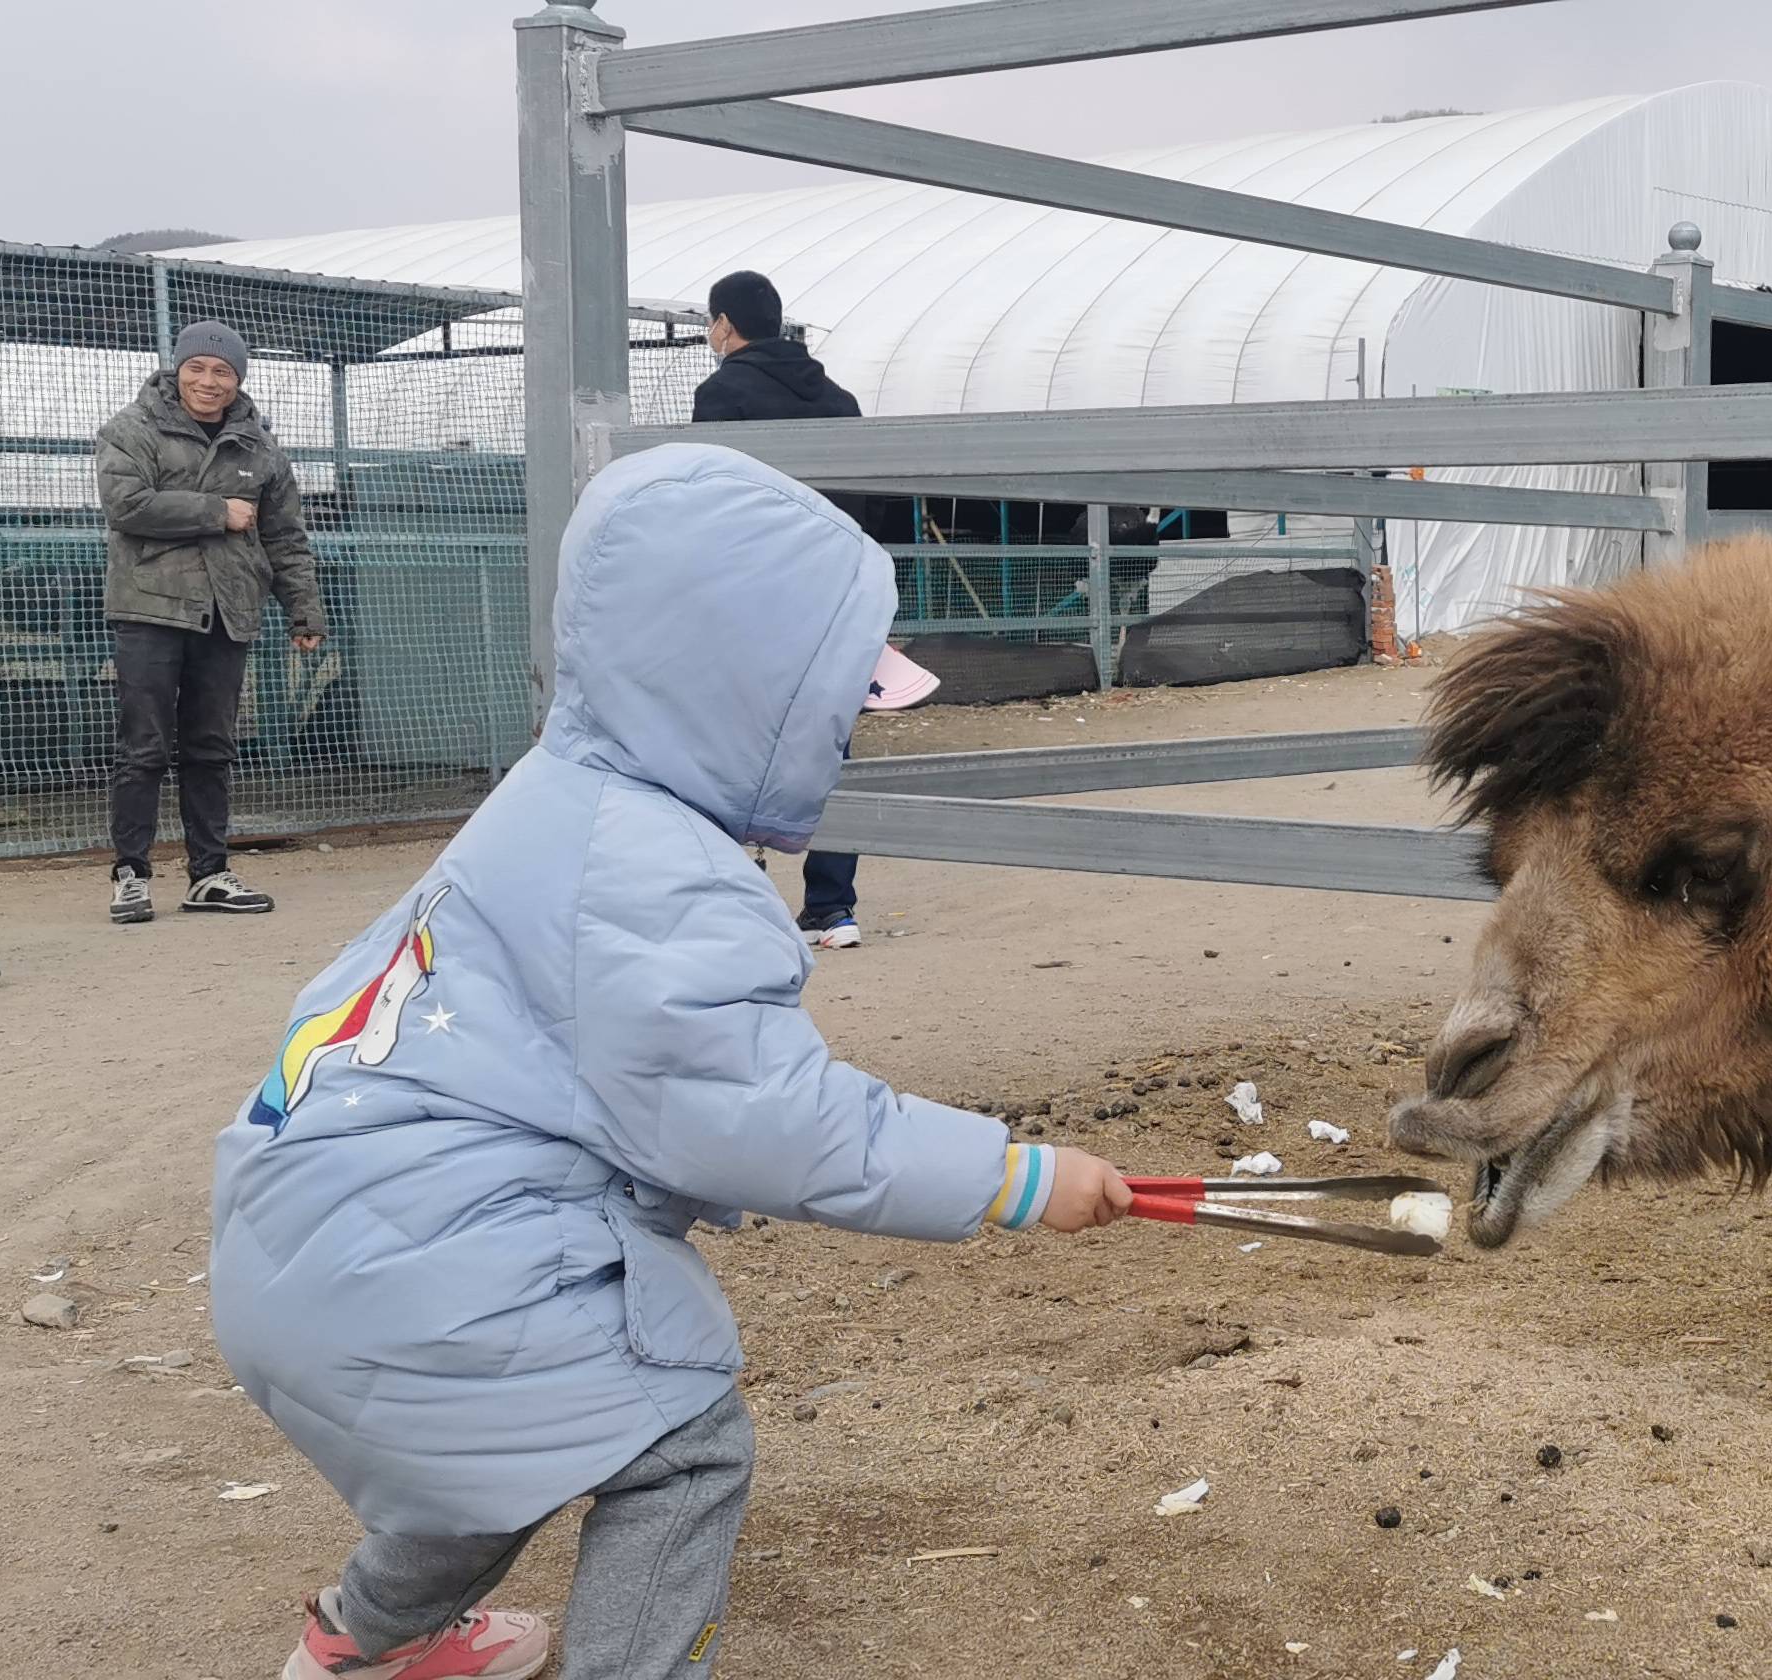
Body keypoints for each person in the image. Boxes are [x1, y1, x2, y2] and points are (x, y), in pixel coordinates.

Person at [212, 442, 1123, 1680]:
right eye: (834, 701)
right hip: (425, 1265)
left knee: (505, 1440)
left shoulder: (561, 794)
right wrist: (1010, 1176)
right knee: (679, 1444)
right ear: (742, 692)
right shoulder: (659, 875)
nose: (851, 729)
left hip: (316, 1240)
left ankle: (358, 1643)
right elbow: (763, 1121)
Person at [690, 271, 902, 951]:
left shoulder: (722, 394)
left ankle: (741, 902)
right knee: (829, 750)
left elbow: (713, 504)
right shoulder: (839, 400)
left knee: (729, 746)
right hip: (837, 600)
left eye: (710, 323)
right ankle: (833, 909)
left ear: (726, 326)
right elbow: (870, 503)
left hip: (754, 600)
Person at [93, 321, 325, 925]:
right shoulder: (131, 429)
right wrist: (217, 510)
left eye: (223, 371)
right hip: (150, 606)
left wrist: (303, 608)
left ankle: (209, 873)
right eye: (197, 368)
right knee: (143, 746)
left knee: (211, 747)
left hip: (227, 610)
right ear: (178, 370)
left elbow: (284, 536)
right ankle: (131, 874)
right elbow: (127, 506)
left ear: (238, 379)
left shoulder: (260, 447)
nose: (209, 381)